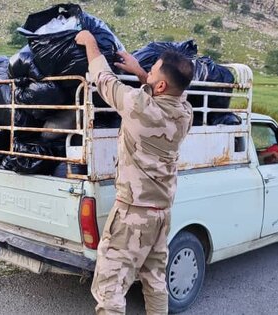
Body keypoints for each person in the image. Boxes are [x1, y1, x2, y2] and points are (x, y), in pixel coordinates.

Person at [75, 30, 194, 315]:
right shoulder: (185, 113)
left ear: (161, 84)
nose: (148, 74)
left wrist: (90, 43)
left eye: (152, 71)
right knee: (154, 281)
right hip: (160, 213)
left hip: (132, 214)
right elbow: (168, 94)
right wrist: (142, 73)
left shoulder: (140, 107)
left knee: (110, 290)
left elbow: (104, 80)